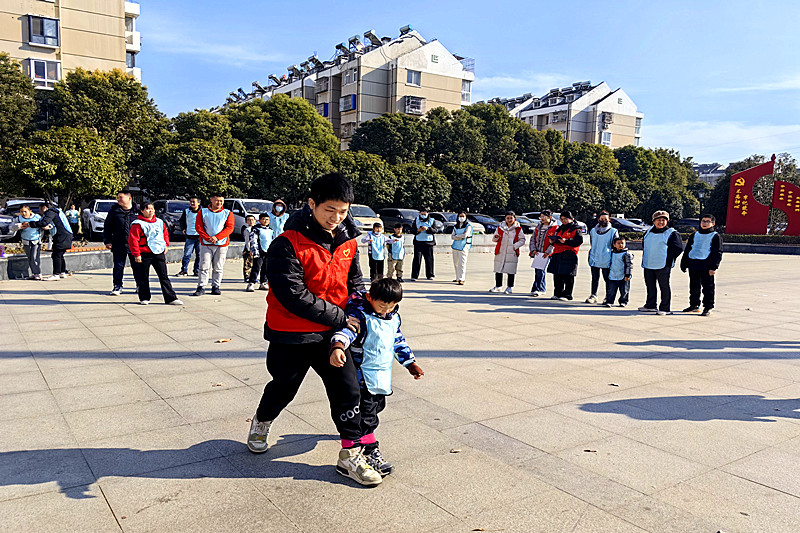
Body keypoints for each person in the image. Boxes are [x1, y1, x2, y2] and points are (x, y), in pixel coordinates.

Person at [247, 172, 382, 486]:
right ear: (312, 204)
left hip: (332, 336)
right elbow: (292, 295)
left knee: (349, 390)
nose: (336, 218)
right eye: (329, 210)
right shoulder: (286, 244)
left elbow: (355, 283)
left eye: (343, 211)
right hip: (292, 333)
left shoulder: (349, 240)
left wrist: (362, 313)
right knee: (283, 387)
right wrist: (340, 317)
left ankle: (350, 457)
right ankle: (262, 420)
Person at [329, 278, 424, 476]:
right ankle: (369, 449)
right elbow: (347, 332)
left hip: (381, 375)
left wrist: (410, 363)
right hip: (362, 376)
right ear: (370, 298)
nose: (385, 311)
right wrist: (338, 346)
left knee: (377, 407)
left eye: (391, 307)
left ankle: (364, 442)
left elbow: (398, 341)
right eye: (381, 306)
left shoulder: (393, 318)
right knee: (367, 415)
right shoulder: (360, 316)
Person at [128, 203, 183, 306]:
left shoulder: (159, 222)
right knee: (143, 277)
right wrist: (136, 254)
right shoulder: (137, 224)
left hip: (158, 252)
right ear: (142, 211)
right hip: (144, 253)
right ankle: (144, 297)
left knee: (164, 276)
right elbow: (133, 240)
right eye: (148, 209)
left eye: (152, 209)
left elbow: (165, 234)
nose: (151, 211)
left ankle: (171, 298)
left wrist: (166, 245)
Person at [639, 210, 684, 315]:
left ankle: (665, 308)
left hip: (663, 264)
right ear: (653, 221)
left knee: (664, 286)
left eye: (663, 220)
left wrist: (669, 258)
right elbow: (644, 244)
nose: (661, 222)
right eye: (658, 220)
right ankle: (650, 305)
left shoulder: (672, 233)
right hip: (648, 263)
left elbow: (678, 248)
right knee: (650, 285)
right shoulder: (648, 232)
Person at [192, 193, 234, 296]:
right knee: (204, 265)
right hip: (206, 244)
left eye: (221, 201)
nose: (219, 203)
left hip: (222, 244)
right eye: (217, 200)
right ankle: (201, 286)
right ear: (211, 200)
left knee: (218, 266)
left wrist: (217, 237)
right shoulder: (203, 212)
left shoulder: (228, 213)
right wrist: (207, 237)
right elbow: (199, 227)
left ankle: (216, 286)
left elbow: (229, 228)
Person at [680, 214, 722, 316]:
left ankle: (708, 307)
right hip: (693, 263)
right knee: (694, 286)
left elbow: (718, 252)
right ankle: (694, 305)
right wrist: (684, 263)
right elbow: (688, 249)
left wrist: (714, 267)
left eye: (708, 221)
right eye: (703, 221)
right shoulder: (694, 235)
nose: (705, 223)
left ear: (713, 223)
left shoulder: (715, 236)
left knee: (708, 287)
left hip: (706, 265)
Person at [25, 203, 73, 281]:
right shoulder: (56, 211)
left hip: (62, 236)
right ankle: (62, 272)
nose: (40, 211)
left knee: (56, 255)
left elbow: (44, 222)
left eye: (40, 209)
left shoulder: (50, 212)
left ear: (44, 207)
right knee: (60, 255)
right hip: (66, 235)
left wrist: (31, 224)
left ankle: (56, 274)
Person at [104, 190, 138, 295]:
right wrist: (107, 241)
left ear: (129, 198)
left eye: (121, 197)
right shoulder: (114, 211)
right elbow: (107, 227)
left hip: (135, 245)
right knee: (118, 266)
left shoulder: (138, 211)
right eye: (118, 197)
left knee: (137, 266)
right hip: (119, 243)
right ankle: (117, 286)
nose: (118, 200)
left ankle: (140, 285)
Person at [547, 210, 583, 301]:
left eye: (566, 219)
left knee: (568, 275)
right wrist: (553, 242)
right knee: (557, 274)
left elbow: (579, 241)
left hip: (569, 253)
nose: (564, 221)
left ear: (571, 219)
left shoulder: (576, 229)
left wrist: (566, 241)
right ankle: (557, 293)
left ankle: (567, 294)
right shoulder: (560, 228)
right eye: (562, 219)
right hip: (558, 252)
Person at [585, 211, 619, 303]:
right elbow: (592, 243)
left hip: (607, 259)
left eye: (605, 219)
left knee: (607, 279)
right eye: (601, 219)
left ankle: (608, 297)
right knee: (595, 278)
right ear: (598, 219)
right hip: (594, 257)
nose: (603, 221)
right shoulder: (593, 231)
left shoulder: (613, 231)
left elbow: (615, 245)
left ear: (609, 220)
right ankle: (593, 295)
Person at [490, 211, 526, 294]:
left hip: (512, 252)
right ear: (505, 219)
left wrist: (514, 246)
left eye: (511, 218)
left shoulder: (518, 229)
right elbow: (494, 238)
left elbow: (522, 240)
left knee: (511, 270)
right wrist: (496, 237)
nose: (509, 220)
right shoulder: (500, 228)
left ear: (514, 218)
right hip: (501, 251)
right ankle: (498, 286)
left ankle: (509, 287)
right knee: (498, 269)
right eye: (507, 218)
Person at [528, 210, 558, 296]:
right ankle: (539, 288)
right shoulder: (538, 227)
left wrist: (548, 252)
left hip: (546, 253)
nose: (542, 219)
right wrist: (533, 249)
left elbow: (554, 242)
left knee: (541, 270)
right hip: (538, 253)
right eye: (541, 217)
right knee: (538, 270)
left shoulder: (555, 228)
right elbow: (533, 239)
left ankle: (539, 288)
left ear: (550, 217)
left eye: (544, 217)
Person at [245, 213, 274, 292]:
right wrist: (254, 251)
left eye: (267, 219)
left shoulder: (270, 230)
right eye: (263, 219)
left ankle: (263, 282)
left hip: (268, 251)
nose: (265, 221)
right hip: (259, 251)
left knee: (265, 268)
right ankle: (251, 283)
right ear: (260, 220)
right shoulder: (256, 229)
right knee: (256, 267)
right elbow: (253, 240)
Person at [603, 237, 633, 307]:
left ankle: (623, 301)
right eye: (618, 243)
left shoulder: (627, 254)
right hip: (613, 275)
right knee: (611, 290)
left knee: (624, 290)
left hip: (623, 276)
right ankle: (609, 301)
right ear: (614, 245)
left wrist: (628, 275)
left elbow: (629, 265)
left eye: (622, 243)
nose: (621, 245)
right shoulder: (611, 253)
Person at [176, 195, 201, 277]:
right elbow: (182, 221)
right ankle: (184, 270)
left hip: (200, 237)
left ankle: (197, 270)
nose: (192, 203)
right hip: (189, 236)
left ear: (198, 203)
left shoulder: (203, 212)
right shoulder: (186, 211)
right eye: (191, 202)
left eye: (194, 202)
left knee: (199, 255)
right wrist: (183, 228)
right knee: (187, 254)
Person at [410, 207, 437, 280]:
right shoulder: (416, 220)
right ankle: (414, 276)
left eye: (424, 214)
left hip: (429, 243)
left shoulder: (432, 220)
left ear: (428, 213)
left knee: (429, 259)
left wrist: (428, 229)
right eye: (422, 214)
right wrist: (418, 230)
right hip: (418, 242)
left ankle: (430, 275)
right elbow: (412, 230)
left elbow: (435, 230)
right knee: (417, 259)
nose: (423, 215)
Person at [16, 205, 43, 280]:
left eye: (25, 211)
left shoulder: (37, 217)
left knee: (35, 257)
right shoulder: (19, 218)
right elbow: (12, 228)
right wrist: (19, 227)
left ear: (30, 211)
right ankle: (34, 273)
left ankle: (38, 273)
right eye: (21, 211)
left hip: (36, 239)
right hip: (25, 240)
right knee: (30, 258)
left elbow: (43, 224)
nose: (23, 213)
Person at [451, 211, 473, 285]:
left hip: (464, 246)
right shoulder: (455, 226)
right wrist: (459, 236)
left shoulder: (468, 226)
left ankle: (461, 278)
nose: (461, 218)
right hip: (455, 246)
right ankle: (457, 277)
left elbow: (465, 235)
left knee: (462, 263)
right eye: (460, 216)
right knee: (456, 263)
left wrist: (457, 236)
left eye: (463, 216)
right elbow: (452, 236)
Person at [242, 214, 257, 282]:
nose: (251, 221)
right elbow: (247, 240)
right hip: (248, 248)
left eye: (252, 220)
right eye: (249, 220)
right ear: (246, 221)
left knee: (255, 264)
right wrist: (249, 250)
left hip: (255, 248)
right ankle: (247, 277)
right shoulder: (247, 230)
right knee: (247, 263)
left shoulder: (257, 229)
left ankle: (253, 277)